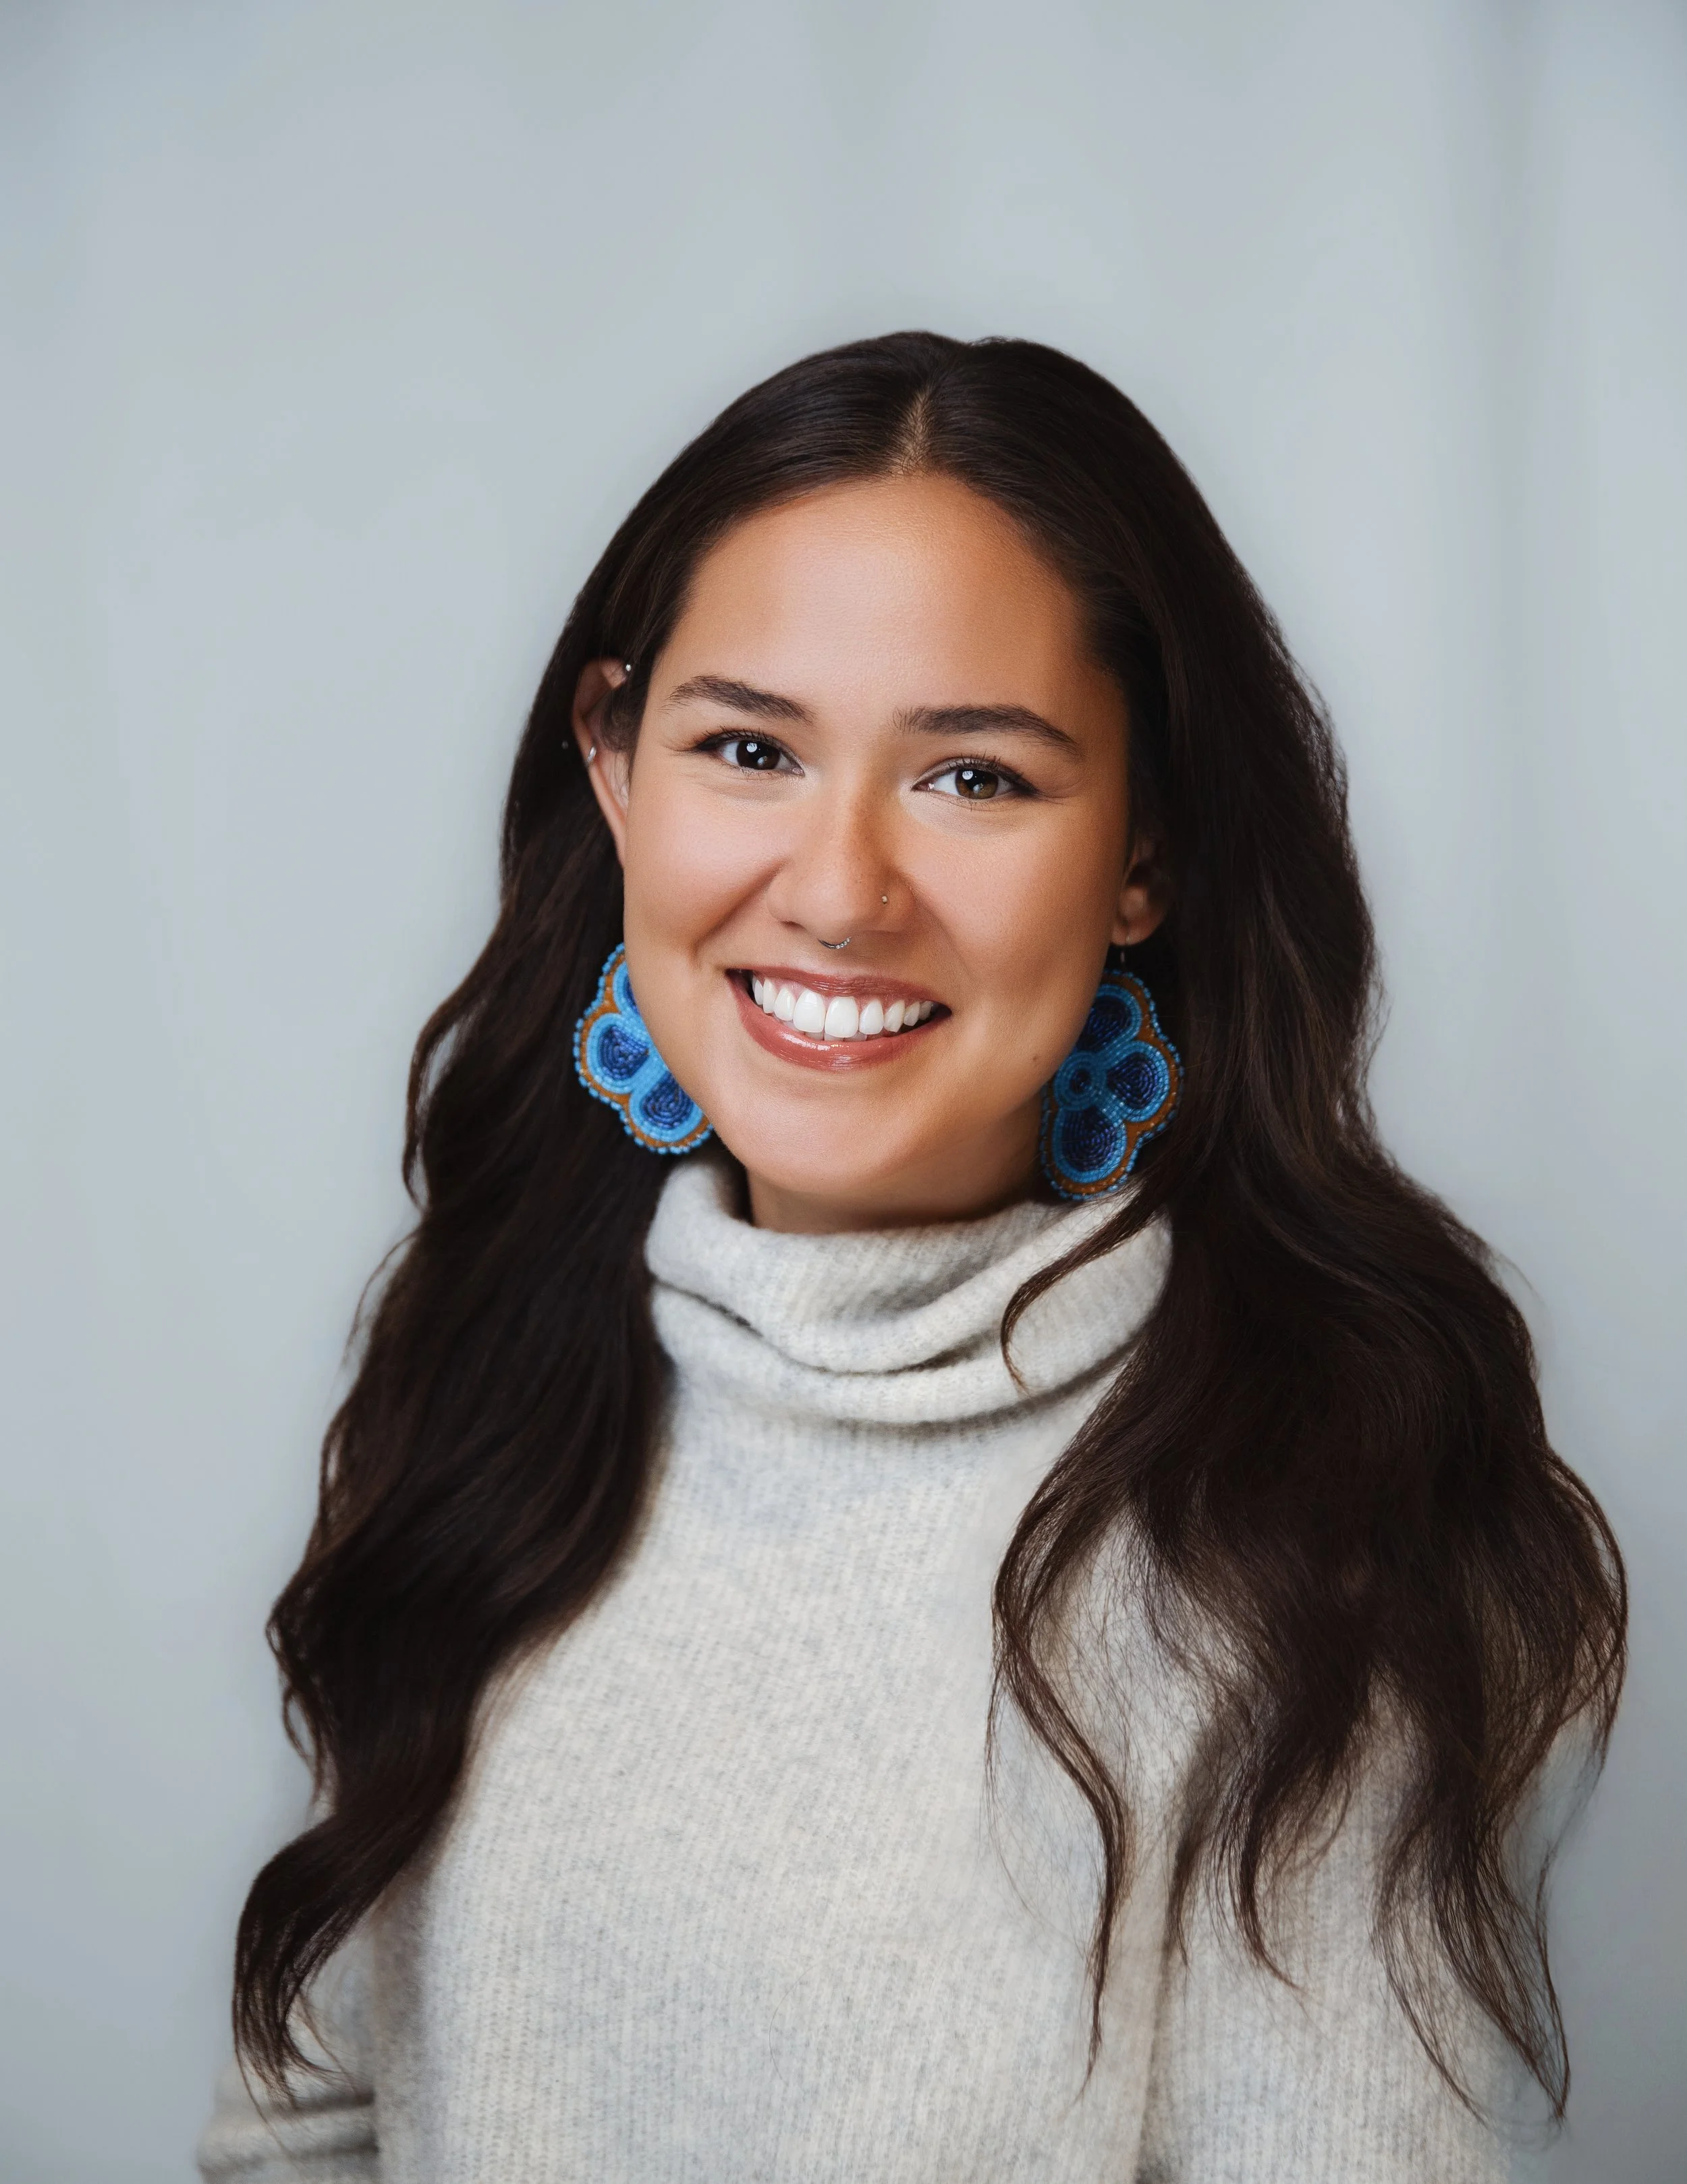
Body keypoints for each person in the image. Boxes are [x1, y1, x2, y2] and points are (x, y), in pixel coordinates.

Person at [198, 333, 1624, 2183]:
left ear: (1145, 852)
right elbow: (298, 2130)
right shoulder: (483, 1380)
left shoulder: (1320, 1520)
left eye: (973, 779)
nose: (841, 886)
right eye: (745, 747)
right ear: (614, 764)